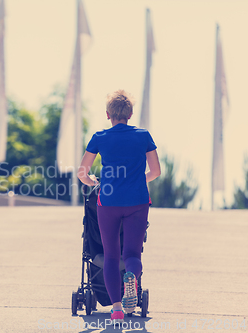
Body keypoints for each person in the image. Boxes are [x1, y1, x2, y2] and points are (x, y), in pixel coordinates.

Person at [77, 90, 161, 324]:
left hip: (109, 202)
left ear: (108, 115)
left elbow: (82, 173)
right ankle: (132, 277)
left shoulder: (99, 136)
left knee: (112, 256)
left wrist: (95, 182)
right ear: (130, 114)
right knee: (132, 253)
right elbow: (155, 172)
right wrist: (136, 181)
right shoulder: (143, 136)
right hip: (138, 202)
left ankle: (116, 309)